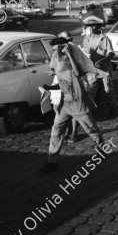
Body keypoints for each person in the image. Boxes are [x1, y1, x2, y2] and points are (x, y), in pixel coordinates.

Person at [39, 35, 105, 174]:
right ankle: (52, 162)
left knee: (91, 129)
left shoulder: (72, 63)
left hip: (78, 103)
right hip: (65, 104)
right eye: (53, 50)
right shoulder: (58, 64)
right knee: (56, 130)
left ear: (65, 49)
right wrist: (50, 88)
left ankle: (102, 149)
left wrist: (69, 53)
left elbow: (78, 73)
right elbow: (63, 85)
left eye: (57, 49)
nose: (55, 53)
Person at [82, 16, 117, 118]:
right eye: (90, 26)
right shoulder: (86, 39)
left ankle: (112, 109)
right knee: (90, 91)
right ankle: (90, 112)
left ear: (99, 27)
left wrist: (102, 60)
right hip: (92, 70)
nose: (92, 28)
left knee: (108, 90)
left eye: (94, 26)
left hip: (105, 69)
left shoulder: (105, 39)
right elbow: (84, 52)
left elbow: (111, 53)